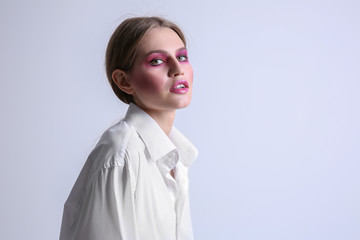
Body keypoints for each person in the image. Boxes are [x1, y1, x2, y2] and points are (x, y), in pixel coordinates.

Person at [59, 16, 198, 240]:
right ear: (124, 81)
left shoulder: (176, 157)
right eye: (157, 61)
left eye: (182, 57)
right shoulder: (121, 154)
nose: (177, 69)